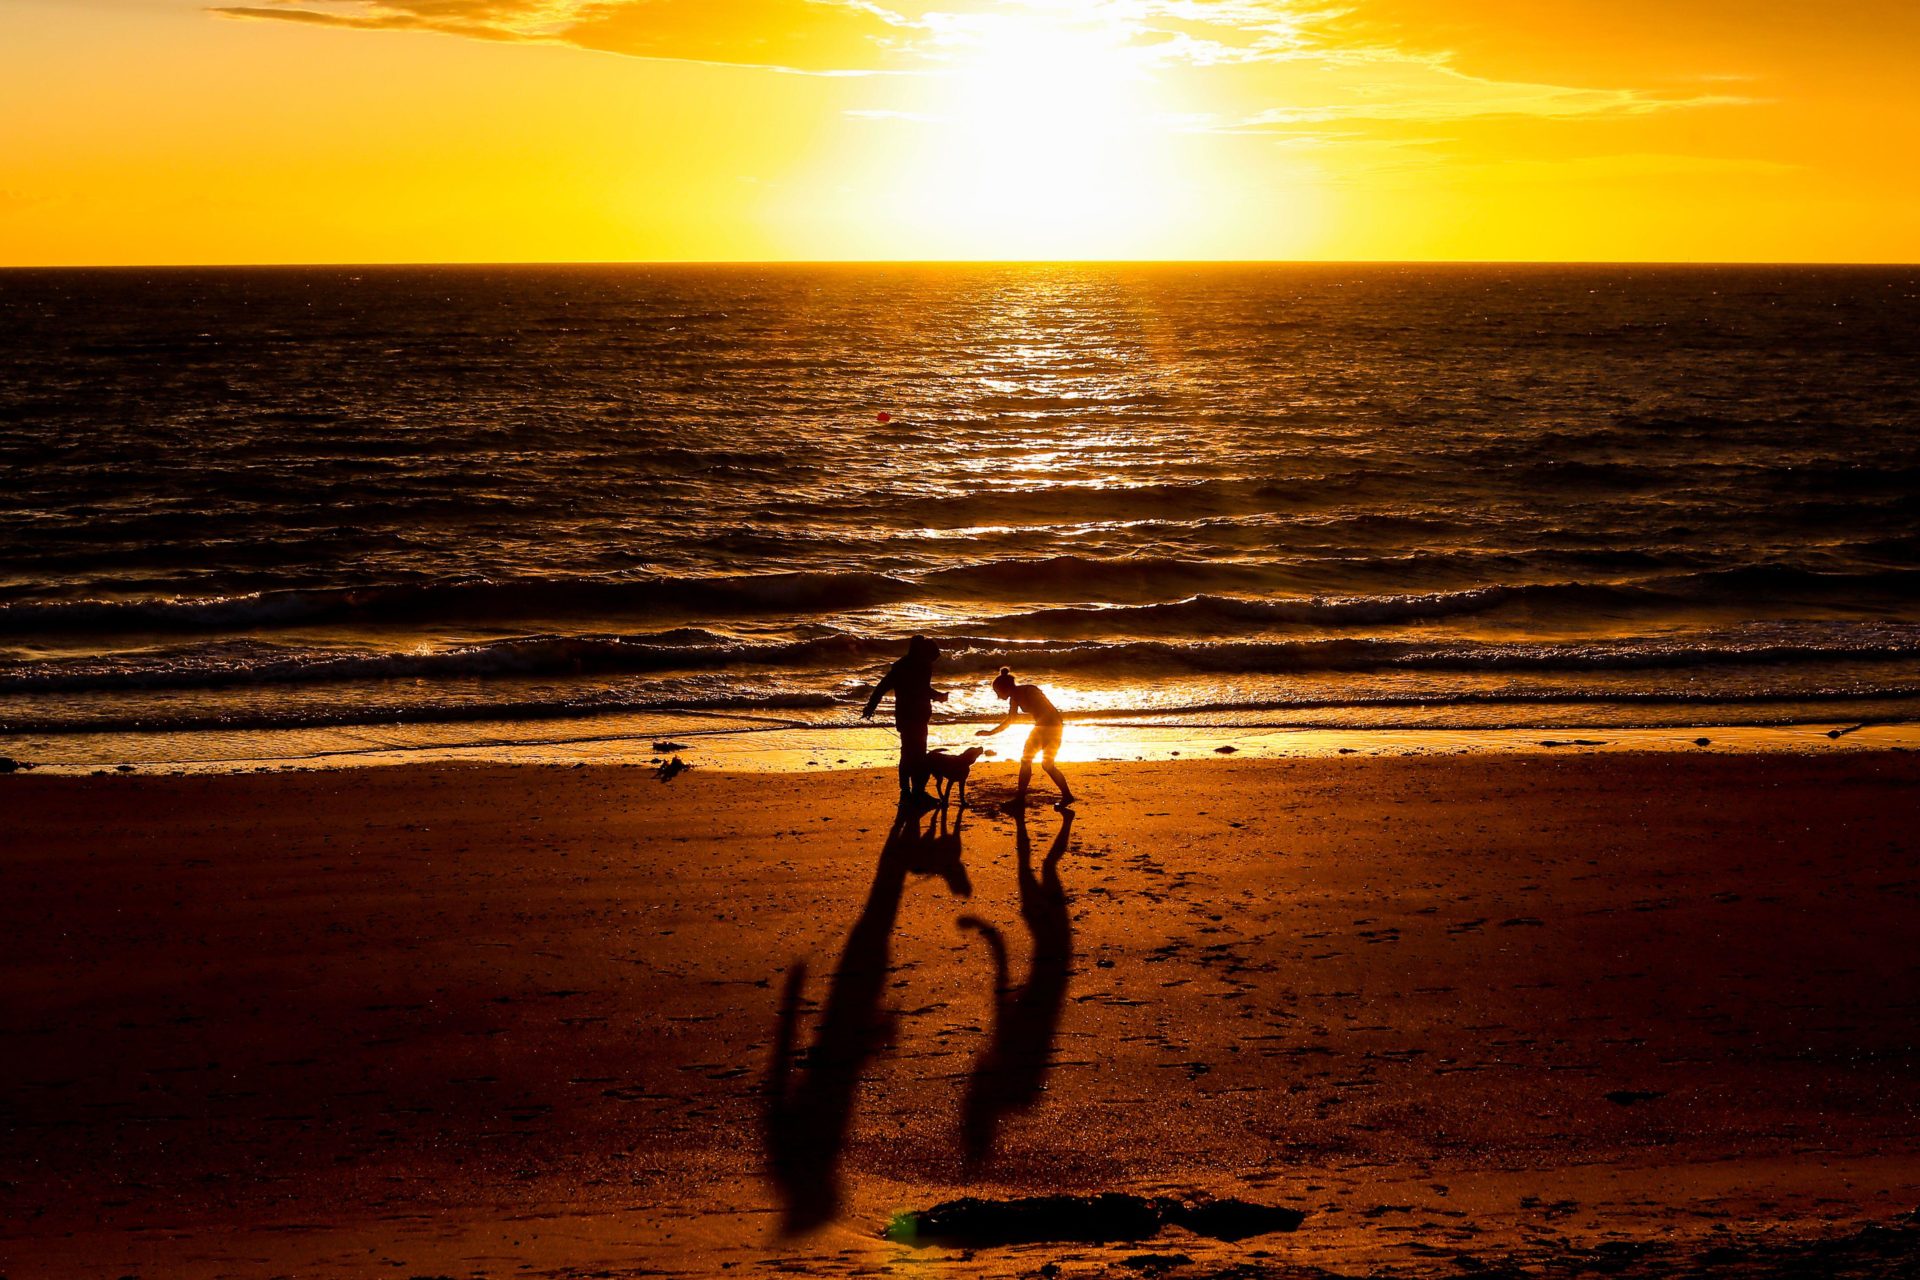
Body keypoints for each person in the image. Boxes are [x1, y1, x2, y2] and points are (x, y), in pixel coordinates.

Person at [861, 635, 948, 807]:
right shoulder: (920, 666)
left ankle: (907, 792)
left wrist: (870, 707)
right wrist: (937, 696)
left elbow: (882, 686)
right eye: (932, 657)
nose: (933, 661)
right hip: (915, 717)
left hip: (906, 716)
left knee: (908, 754)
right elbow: (921, 689)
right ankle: (916, 793)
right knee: (917, 755)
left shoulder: (901, 666)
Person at [977, 666, 1075, 810]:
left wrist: (1042, 732)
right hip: (1048, 727)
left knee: (1027, 760)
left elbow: (1048, 710)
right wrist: (990, 733)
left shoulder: (1030, 691)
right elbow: (1010, 720)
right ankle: (1066, 796)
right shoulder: (1015, 698)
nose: (998, 696)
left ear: (1004, 688)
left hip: (1049, 727)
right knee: (1047, 764)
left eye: (997, 692)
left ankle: (1020, 799)